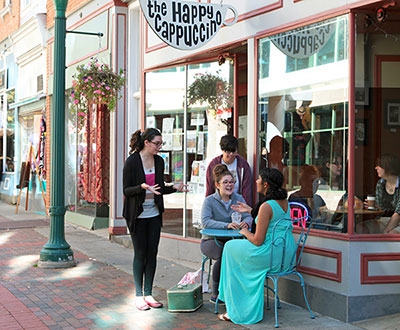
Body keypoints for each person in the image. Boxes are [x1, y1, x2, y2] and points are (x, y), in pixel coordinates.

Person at [217, 167, 296, 324]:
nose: (256, 181)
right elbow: (271, 219)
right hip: (285, 255)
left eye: (259, 179)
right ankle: (233, 299)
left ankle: (236, 307)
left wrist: (244, 231)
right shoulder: (283, 202)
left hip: (269, 255)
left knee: (229, 249)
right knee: (234, 254)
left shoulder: (266, 206)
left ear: (266, 184)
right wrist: (251, 210)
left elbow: (258, 240)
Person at [122, 128, 187, 311]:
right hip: (137, 215)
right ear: (146, 143)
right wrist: (142, 187)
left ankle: (149, 292)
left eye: (161, 143)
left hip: (154, 214)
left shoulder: (159, 161)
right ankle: (138, 295)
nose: (159, 147)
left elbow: (158, 188)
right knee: (140, 253)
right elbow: (126, 190)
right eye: (157, 143)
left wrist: (175, 187)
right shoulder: (132, 162)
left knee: (152, 253)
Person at [201, 164, 253, 304]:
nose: (229, 185)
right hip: (211, 240)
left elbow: (249, 215)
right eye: (225, 182)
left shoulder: (239, 198)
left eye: (232, 182)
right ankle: (216, 292)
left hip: (234, 239)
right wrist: (226, 225)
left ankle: (238, 290)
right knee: (224, 254)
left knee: (242, 253)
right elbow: (205, 221)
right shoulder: (210, 201)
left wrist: (247, 223)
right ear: (217, 185)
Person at [357, 154, 400, 234]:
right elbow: (382, 208)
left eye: (379, 165)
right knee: (361, 228)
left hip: (398, 220)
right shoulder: (381, 183)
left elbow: (398, 213)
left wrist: (385, 232)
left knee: (391, 234)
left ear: (387, 167)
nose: (376, 168)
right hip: (384, 219)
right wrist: (375, 206)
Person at [205, 135, 253, 205]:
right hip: (218, 205)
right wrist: (208, 207)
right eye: (227, 151)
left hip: (237, 205)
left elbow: (246, 191)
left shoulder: (243, 165)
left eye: (233, 151)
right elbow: (210, 189)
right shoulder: (213, 165)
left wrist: (246, 208)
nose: (231, 154)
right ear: (222, 150)